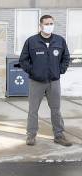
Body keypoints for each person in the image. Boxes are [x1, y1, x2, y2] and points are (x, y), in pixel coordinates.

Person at [19, 15, 72, 147]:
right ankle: (31, 136)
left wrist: (60, 70)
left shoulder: (60, 41)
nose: (49, 26)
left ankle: (59, 135)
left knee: (56, 110)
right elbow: (23, 60)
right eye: (47, 24)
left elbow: (66, 57)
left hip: (54, 82)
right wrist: (33, 71)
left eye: (51, 23)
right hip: (36, 82)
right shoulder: (31, 41)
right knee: (33, 110)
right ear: (41, 26)